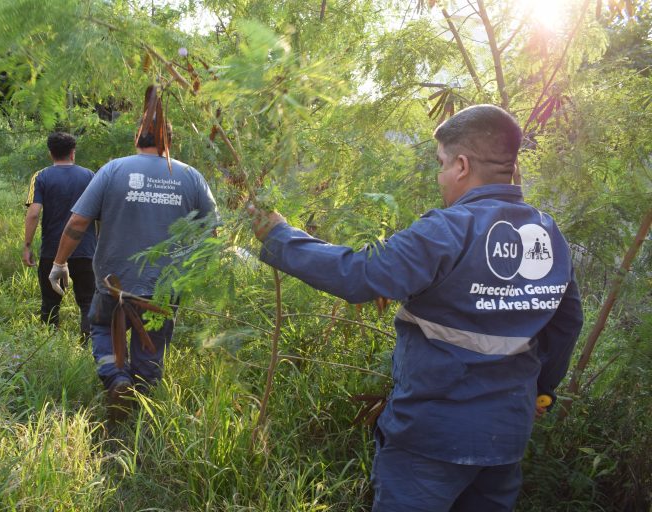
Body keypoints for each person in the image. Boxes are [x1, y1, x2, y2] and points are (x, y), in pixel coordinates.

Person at [248, 105, 583, 511]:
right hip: (505, 438)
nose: (440, 175)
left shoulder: (447, 230)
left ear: (461, 165)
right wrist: (541, 390)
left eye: (441, 163)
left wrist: (280, 237)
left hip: (432, 438)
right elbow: (567, 324)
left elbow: (358, 275)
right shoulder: (548, 236)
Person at [49, 87, 218, 415]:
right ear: (171, 141)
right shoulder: (191, 177)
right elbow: (210, 234)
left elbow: (78, 223)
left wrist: (59, 263)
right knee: (150, 345)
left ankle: (116, 379)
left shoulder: (113, 170)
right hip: (165, 287)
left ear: (136, 137)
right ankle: (142, 406)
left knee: (100, 327)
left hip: (114, 282)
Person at [23, 132, 97, 340]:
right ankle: (87, 346)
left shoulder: (41, 176)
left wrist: (27, 246)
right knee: (88, 301)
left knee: (50, 302)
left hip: (52, 251)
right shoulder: (90, 176)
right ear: (73, 153)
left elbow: (34, 213)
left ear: (50, 154)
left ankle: (49, 343)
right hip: (85, 249)